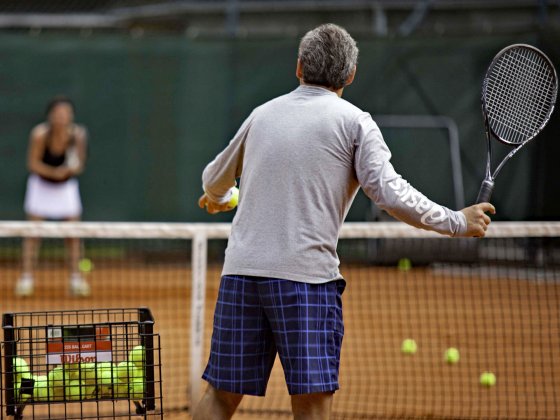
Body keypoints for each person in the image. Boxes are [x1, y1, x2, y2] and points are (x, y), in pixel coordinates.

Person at [195, 23, 495, 420]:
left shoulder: (261, 115)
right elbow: (389, 193)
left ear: (299, 67)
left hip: (242, 275)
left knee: (220, 398)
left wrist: (219, 198)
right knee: (313, 407)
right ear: (350, 76)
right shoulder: (355, 123)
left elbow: (214, 178)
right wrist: (456, 221)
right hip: (307, 283)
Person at [15, 96, 90, 297]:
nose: (62, 117)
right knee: (33, 234)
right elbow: (33, 163)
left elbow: (79, 163)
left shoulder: (78, 135)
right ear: (50, 115)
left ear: (71, 116)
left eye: (66, 113)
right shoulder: (40, 134)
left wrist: (69, 170)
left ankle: (76, 279)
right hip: (41, 187)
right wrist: (53, 173)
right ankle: (26, 279)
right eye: (58, 113)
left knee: (73, 235)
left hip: (66, 189)